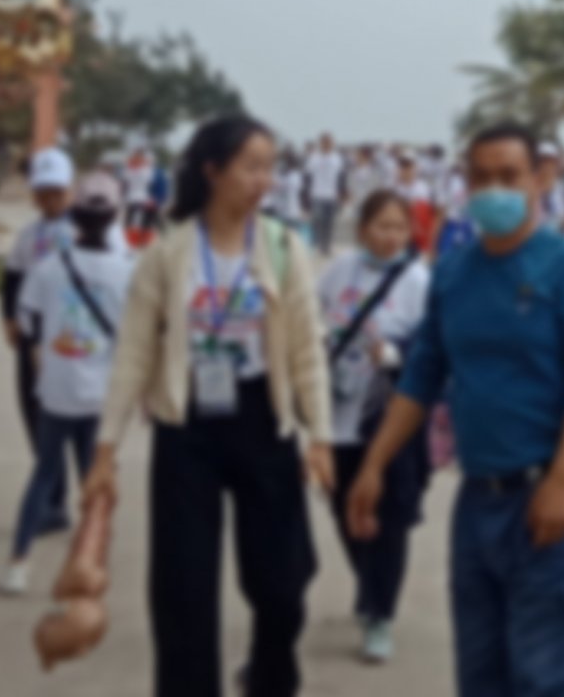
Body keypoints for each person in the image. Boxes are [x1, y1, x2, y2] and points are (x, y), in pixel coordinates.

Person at [349, 123, 564, 697]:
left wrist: (562, 482)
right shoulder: (453, 272)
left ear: (539, 180)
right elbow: (422, 374)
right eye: (482, 177)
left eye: (509, 176)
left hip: (553, 495)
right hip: (479, 500)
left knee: (549, 676)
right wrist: (374, 464)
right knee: (481, 674)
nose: (495, 189)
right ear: (465, 184)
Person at [89, 115, 331, 697]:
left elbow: (306, 348)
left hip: (262, 418)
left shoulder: (283, 246)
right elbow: (133, 353)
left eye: (269, 168)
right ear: (213, 171)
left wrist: (320, 436)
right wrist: (105, 451)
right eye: (251, 167)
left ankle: (270, 677)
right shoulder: (168, 252)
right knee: (184, 588)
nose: (263, 180)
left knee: (283, 582)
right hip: (188, 425)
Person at [318, 190, 432, 662]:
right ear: (363, 227)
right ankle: (368, 584)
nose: (390, 236)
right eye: (382, 226)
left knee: (389, 521)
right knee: (345, 509)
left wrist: (396, 354)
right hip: (340, 415)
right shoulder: (338, 271)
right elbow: (312, 318)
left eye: (399, 228)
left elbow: (433, 347)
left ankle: (380, 613)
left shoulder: (418, 281)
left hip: (392, 419)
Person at [5, 172, 132, 595]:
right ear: (114, 217)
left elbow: (29, 324)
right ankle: (91, 564)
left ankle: (18, 563)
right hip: (99, 394)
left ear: (75, 216)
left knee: (43, 475)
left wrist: (44, 369)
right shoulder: (126, 272)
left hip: (56, 392)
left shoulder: (47, 268)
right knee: (95, 479)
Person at [307, 134, 348, 254]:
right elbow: (308, 177)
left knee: (329, 223)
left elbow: (341, 177)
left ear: (332, 144)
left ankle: (327, 246)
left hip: (332, 195)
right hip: (317, 194)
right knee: (318, 221)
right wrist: (306, 196)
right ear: (320, 144)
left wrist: (342, 193)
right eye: (324, 142)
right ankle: (319, 245)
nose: (326, 145)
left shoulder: (337, 159)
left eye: (329, 142)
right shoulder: (314, 158)